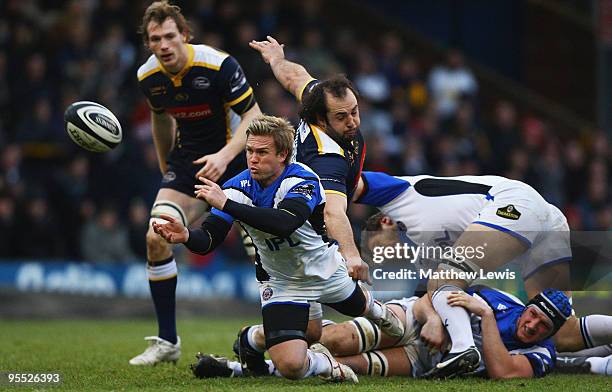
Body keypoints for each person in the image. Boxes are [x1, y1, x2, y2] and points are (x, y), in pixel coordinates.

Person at [152, 115, 403, 383]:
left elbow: (283, 223)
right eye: (249, 151)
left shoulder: (303, 180)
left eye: (262, 152)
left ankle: (377, 310)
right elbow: (209, 240)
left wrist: (227, 205)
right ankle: (322, 362)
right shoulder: (236, 187)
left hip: (324, 268)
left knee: (356, 308)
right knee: (292, 365)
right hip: (281, 281)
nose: (253, 159)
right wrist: (187, 235)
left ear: (283, 154)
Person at [355, 170, 612, 376]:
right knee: (562, 330)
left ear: (384, 221)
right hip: (545, 219)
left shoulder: (402, 195)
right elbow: (430, 300)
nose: (389, 256)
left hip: (513, 203)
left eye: (381, 247)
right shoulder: (424, 254)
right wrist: (433, 320)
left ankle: (463, 350)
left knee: (446, 279)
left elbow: (351, 179)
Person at [130, 1, 262, 365]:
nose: (163, 45)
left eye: (170, 36)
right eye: (155, 39)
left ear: (184, 35)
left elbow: (254, 116)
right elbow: (160, 120)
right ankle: (168, 341)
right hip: (189, 163)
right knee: (156, 235)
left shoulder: (217, 65)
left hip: (239, 161)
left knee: (265, 252)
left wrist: (223, 157)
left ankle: (293, 329)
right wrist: (166, 168)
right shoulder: (148, 76)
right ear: (149, 43)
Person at [234, 36, 371, 372]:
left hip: (301, 227)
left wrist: (277, 59)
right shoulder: (325, 160)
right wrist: (351, 255)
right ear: (322, 121)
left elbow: (296, 78)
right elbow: (333, 211)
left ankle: (251, 340)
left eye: (355, 111)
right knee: (305, 338)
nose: (352, 122)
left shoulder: (318, 99)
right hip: (296, 235)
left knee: (309, 332)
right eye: (342, 117)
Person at [193, 287, 572, 380]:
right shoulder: (502, 297)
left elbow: (504, 372)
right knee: (334, 339)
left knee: (339, 366)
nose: (533, 326)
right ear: (529, 305)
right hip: (414, 319)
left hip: (422, 360)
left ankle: (235, 367)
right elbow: (432, 297)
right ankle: (260, 336)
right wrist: (435, 320)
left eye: (543, 327)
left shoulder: (543, 354)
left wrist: (486, 318)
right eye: (535, 315)